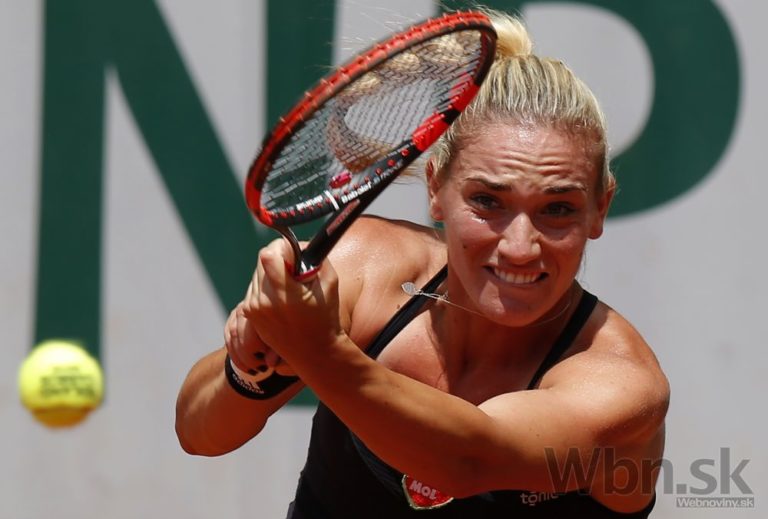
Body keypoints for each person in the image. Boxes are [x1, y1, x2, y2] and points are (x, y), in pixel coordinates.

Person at [176, 9, 669, 518]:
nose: (520, 247)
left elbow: (468, 461)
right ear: (436, 189)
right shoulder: (366, 267)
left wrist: (317, 348)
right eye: (488, 202)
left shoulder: (623, 385)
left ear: (599, 210)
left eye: (558, 209)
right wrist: (250, 363)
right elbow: (199, 434)